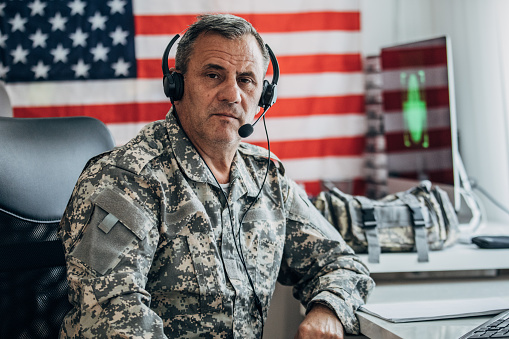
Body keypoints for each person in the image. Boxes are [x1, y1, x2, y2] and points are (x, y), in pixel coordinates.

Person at [58, 14, 374, 339]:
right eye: (213, 74)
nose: (232, 94)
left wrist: (328, 309)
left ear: (264, 96)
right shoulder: (126, 177)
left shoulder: (266, 176)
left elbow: (339, 263)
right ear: (176, 85)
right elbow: (111, 319)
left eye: (247, 80)